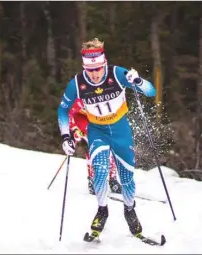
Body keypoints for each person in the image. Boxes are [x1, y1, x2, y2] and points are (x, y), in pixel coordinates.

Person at [57, 38, 156, 238]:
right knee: (100, 173)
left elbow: (150, 91)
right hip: (98, 131)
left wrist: (138, 81)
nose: (94, 74)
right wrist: (66, 137)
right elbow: (63, 109)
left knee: (127, 178)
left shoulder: (118, 74)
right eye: (89, 70)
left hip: (121, 132)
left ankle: (129, 209)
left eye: (98, 69)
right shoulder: (77, 83)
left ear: (104, 63)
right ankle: (102, 210)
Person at [68, 98, 122, 195]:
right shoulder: (80, 97)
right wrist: (74, 130)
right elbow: (69, 114)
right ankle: (92, 180)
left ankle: (113, 179)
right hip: (81, 117)